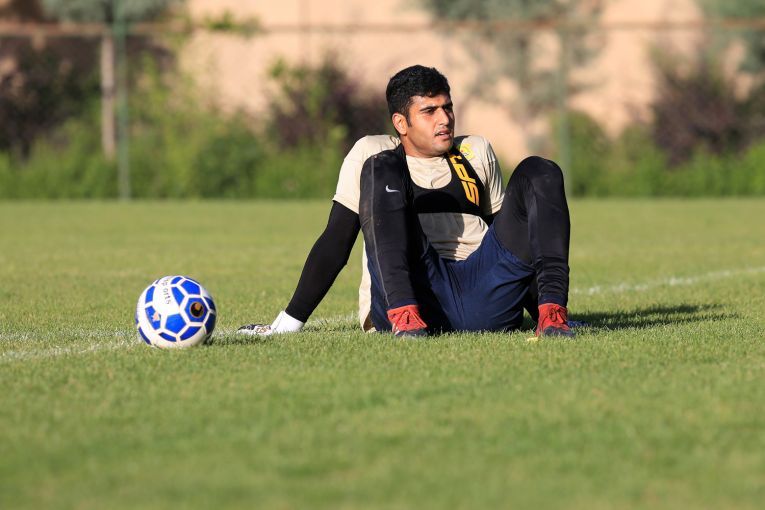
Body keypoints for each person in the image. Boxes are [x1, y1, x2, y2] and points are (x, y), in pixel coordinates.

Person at [238, 65, 574, 338]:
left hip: (483, 296)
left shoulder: (475, 152)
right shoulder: (373, 153)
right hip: (415, 293)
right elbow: (336, 241)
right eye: (429, 111)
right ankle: (406, 318)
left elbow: (516, 244)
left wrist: (540, 309)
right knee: (382, 166)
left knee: (541, 170)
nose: (444, 119)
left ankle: (553, 316)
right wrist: (287, 323)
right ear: (401, 122)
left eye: (447, 107)